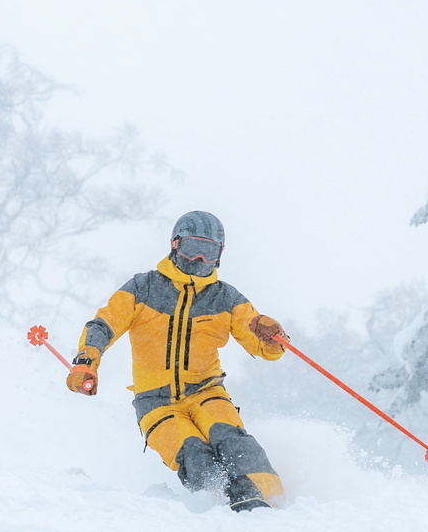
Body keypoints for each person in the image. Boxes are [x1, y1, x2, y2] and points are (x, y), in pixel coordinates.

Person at [66, 210, 288, 511]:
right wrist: (86, 360)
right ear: (175, 244)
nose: (199, 260)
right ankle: (219, 500)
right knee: (192, 451)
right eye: (192, 249)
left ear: (219, 256)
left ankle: (274, 502)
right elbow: (103, 324)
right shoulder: (143, 288)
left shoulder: (225, 298)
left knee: (231, 439)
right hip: (155, 401)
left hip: (207, 392)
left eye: (208, 253)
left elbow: (264, 346)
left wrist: (271, 336)